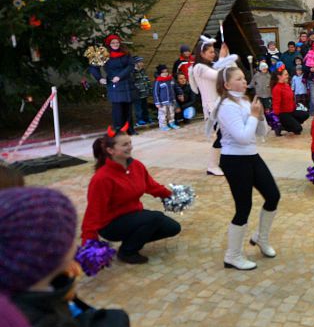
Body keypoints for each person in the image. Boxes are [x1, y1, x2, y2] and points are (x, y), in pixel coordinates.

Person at [2, 187, 130, 327]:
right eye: (69, 238)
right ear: (52, 254)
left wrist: (61, 286)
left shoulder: (26, 285)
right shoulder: (39, 320)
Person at [212, 59, 278, 270]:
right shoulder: (225, 106)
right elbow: (241, 137)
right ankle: (232, 255)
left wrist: (260, 117)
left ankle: (261, 238)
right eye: (239, 79)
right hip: (234, 160)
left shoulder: (243, 101)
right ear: (227, 85)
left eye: (243, 78)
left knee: (273, 195)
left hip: (251, 156)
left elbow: (260, 133)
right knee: (243, 207)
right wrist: (253, 116)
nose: (244, 81)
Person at [81, 125, 180, 264]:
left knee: (172, 227)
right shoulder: (102, 178)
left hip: (133, 216)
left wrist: (171, 195)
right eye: (124, 145)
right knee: (155, 218)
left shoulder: (136, 166)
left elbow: (151, 186)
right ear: (110, 150)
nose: (130, 147)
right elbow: (93, 213)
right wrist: (90, 245)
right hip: (110, 224)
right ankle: (127, 252)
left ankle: (131, 240)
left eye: (130, 143)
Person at [189, 37, 228, 176]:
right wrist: (222, 58)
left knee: (224, 135)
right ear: (202, 53)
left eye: (214, 51)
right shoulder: (199, 68)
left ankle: (222, 163)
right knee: (221, 135)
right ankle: (212, 166)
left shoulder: (206, 66)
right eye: (210, 52)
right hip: (212, 107)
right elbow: (220, 76)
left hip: (218, 105)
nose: (213, 54)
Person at [89, 34, 136, 134]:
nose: (115, 44)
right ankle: (119, 130)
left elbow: (130, 66)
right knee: (117, 108)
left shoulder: (125, 53)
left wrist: (120, 76)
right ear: (109, 44)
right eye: (113, 43)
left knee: (128, 107)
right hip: (114, 84)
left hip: (126, 82)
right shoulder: (103, 54)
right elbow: (93, 67)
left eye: (117, 42)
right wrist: (99, 78)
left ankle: (129, 129)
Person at [271, 66, 308, 136]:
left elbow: (291, 99)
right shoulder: (277, 88)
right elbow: (276, 104)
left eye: (287, 74)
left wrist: (294, 107)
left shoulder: (287, 85)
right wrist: (277, 119)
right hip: (283, 114)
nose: (287, 76)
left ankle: (291, 124)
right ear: (279, 76)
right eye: (285, 75)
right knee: (298, 129)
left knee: (305, 114)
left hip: (291, 111)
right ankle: (281, 126)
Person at [152, 64, 178, 131]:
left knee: (171, 113)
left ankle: (171, 123)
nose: (165, 73)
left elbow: (176, 87)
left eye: (166, 71)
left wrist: (180, 93)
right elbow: (155, 92)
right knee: (163, 114)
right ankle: (163, 125)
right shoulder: (158, 81)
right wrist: (157, 102)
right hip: (162, 102)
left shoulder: (171, 79)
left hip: (171, 100)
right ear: (159, 73)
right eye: (163, 72)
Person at [131, 56, 152, 128]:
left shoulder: (143, 71)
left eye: (142, 62)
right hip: (137, 94)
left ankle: (146, 118)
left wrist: (150, 89)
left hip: (144, 93)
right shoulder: (132, 72)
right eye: (140, 62)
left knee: (145, 107)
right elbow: (131, 81)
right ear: (135, 63)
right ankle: (139, 120)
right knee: (138, 108)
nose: (142, 63)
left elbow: (147, 80)